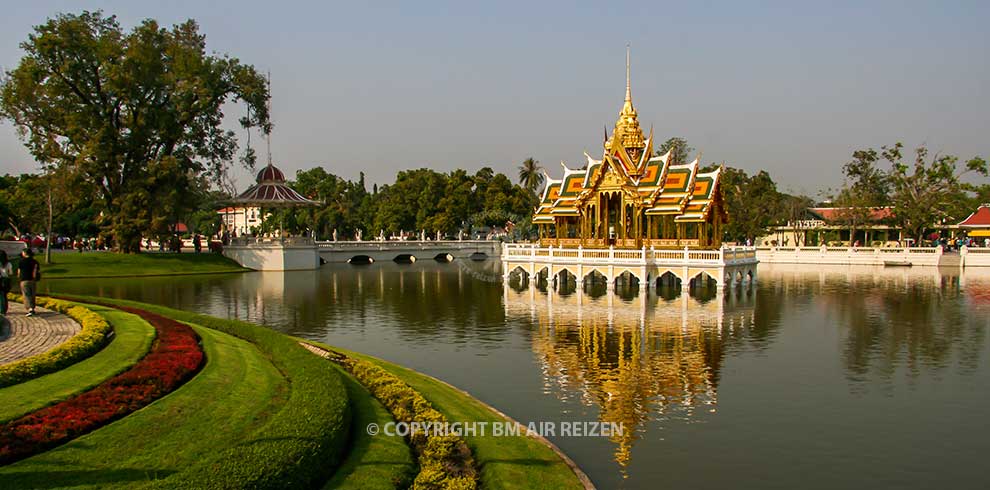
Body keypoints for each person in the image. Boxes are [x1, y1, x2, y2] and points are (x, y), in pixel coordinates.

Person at [17, 248, 40, 317]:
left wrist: (19, 277)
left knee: (26, 295)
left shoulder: (21, 261)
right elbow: (36, 271)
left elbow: (19, 272)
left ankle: (30, 309)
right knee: (32, 294)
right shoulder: (35, 261)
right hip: (32, 280)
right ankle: (32, 308)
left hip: (24, 280)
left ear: (25, 253)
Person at [0, 250, 12, 316]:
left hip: (1, 280)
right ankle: (4, 309)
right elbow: (10, 273)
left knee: (1, 295)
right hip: (6, 280)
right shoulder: (8, 263)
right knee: (4, 295)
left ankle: (2, 310)